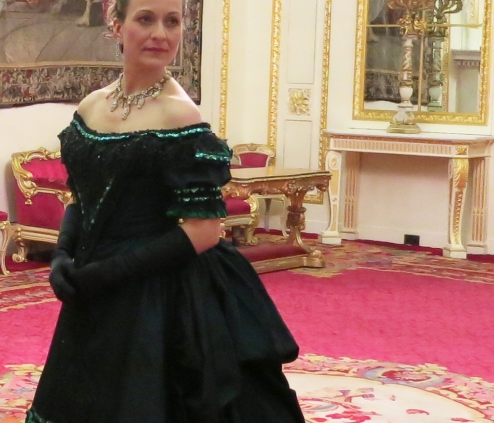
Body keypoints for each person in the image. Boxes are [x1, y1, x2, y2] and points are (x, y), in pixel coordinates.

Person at [24, 0, 306, 421]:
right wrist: (63, 253)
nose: (161, 33)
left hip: (160, 294)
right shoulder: (92, 107)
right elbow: (81, 198)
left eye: (172, 22)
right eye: (146, 19)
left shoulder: (179, 114)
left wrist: (108, 273)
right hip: (94, 289)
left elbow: (205, 231)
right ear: (115, 24)